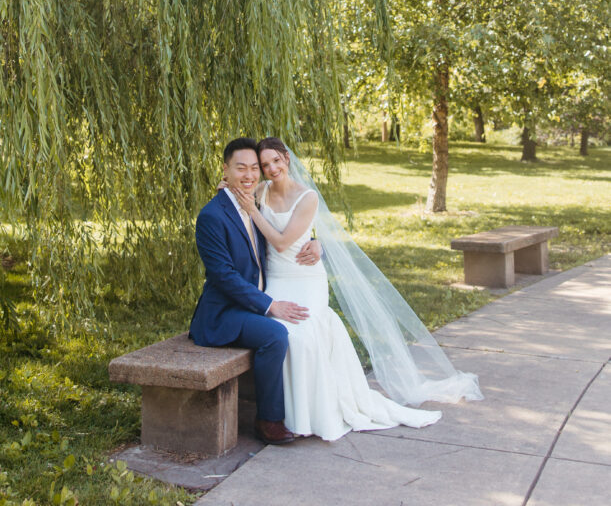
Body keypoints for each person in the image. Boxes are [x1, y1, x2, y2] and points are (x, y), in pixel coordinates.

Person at [231, 136, 445, 440]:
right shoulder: (261, 190)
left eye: (276, 161)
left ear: (287, 159)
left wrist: (313, 242)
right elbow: (236, 186)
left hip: (306, 278)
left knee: (303, 335)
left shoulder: (307, 198)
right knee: (281, 333)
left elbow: (280, 243)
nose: (271, 168)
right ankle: (285, 414)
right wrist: (229, 188)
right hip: (276, 280)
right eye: (265, 165)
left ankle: (309, 414)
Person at [189, 137, 322, 445]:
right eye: (241, 168)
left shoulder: (256, 201)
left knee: (298, 330)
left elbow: (283, 234)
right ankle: (268, 420)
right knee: (275, 335)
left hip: (255, 300)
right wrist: (269, 305)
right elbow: (223, 276)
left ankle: (303, 408)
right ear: (225, 169)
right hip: (224, 312)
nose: (249, 175)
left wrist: (317, 244)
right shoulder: (212, 215)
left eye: (254, 169)